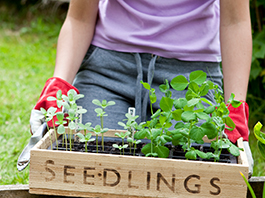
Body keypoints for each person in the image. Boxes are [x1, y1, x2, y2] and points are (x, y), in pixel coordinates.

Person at [29, 0, 253, 173]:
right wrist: (59, 85)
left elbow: (236, 22)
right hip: (108, 72)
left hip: (191, 82)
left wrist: (235, 109)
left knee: (192, 169)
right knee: (87, 163)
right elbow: (79, 19)